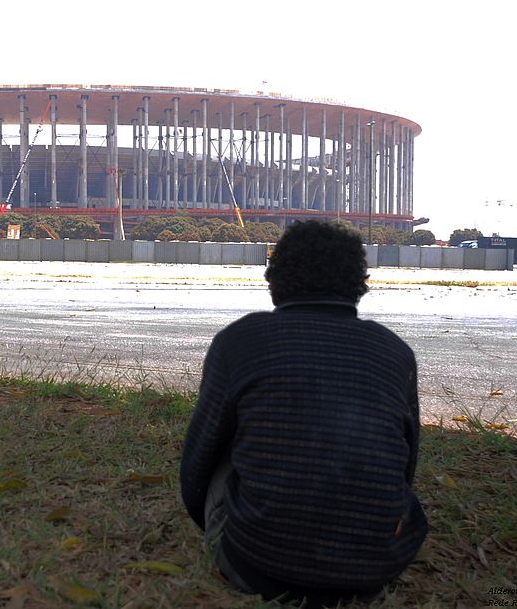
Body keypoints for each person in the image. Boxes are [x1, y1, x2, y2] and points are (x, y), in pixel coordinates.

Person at [180, 220, 427, 607]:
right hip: (373, 571)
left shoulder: (240, 340)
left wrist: (212, 524)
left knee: (225, 440)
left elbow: (198, 460)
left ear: (275, 276)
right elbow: (406, 466)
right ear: (358, 281)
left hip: (256, 566)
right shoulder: (394, 352)